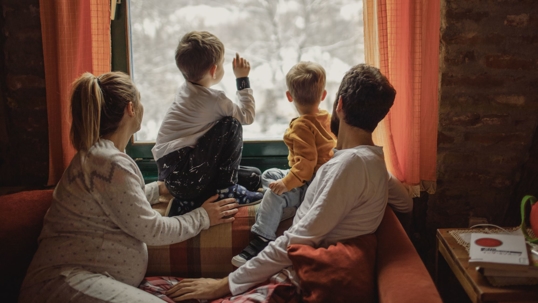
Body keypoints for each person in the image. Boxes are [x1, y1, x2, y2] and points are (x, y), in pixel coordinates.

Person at [164, 64, 412, 301]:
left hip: (301, 278)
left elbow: (299, 237)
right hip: (295, 269)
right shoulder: (372, 162)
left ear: (340, 104)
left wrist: (224, 284)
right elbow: (406, 203)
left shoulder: (351, 165)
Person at [18, 72, 240, 303]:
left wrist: (160, 189)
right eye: (140, 102)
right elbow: (152, 230)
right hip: (67, 282)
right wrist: (203, 216)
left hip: (83, 279)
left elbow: (119, 204)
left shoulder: (102, 158)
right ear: (131, 108)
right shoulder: (108, 163)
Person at [232, 62, 336, 267]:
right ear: (323, 95)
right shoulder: (327, 118)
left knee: (274, 192)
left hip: (309, 183)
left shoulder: (302, 126)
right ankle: (282, 204)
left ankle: (262, 239)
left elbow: (306, 165)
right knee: (270, 174)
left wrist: (287, 185)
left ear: (289, 96)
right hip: (318, 177)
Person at [152, 31, 264, 217]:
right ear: (214, 70)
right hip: (188, 175)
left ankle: (188, 203)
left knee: (254, 177)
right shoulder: (215, 100)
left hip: (174, 180)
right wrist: (242, 79)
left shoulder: (184, 90)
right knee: (231, 125)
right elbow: (247, 116)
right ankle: (228, 191)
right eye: (221, 64)